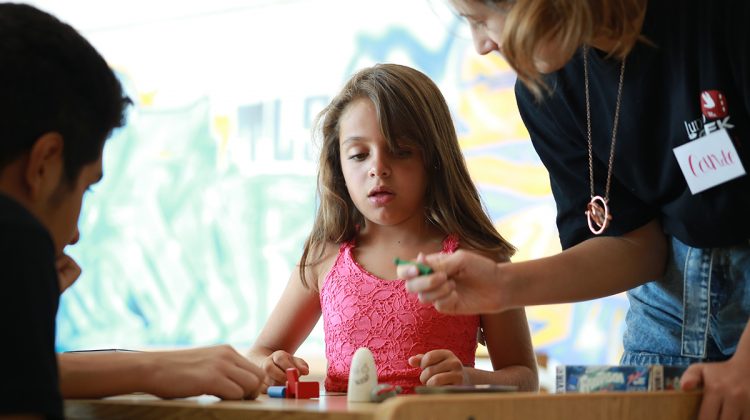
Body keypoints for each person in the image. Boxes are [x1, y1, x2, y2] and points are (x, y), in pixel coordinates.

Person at [402, 1, 750, 419]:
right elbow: (637, 246)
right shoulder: (545, 91)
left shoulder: (723, 20)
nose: (481, 45)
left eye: (482, 20)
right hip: (665, 316)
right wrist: (502, 286)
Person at [0, 4, 264, 417]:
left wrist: (146, 368)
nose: (74, 236)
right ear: (44, 163)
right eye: (87, 188)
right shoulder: (15, 237)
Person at [247, 63, 538, 393]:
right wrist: (269, 366)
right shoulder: (322, 257)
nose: (378, 168)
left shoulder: (478, 257)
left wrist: (472, 379)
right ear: (337, 164)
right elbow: (261, 352)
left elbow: (524, 376)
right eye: (358, 155)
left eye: (400, 152)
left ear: (434, 157)